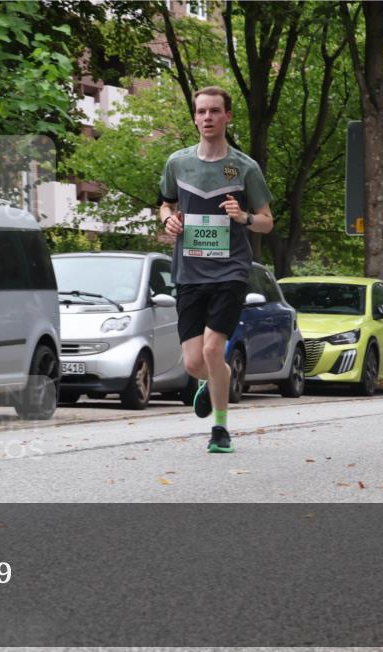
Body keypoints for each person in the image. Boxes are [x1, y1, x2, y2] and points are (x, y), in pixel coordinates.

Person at [159, 86, 274, 453]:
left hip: (230, 271)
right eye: (201, 111)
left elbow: (267, 222)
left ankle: (220, 431)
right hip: (189, 272)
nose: (207, 117)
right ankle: (211, 383)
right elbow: (164, 205)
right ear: (194, 117)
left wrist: (244, 217)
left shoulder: (244, 168)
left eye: (214, 111)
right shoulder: (178, 163)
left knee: (213, 350)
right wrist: (168, 222)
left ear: (227, 117)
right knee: (194, 362)